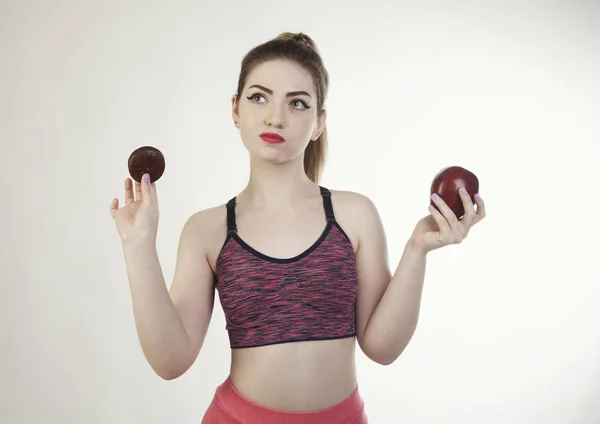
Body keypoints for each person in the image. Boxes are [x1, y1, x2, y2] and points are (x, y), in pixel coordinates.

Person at [109, 32, 486, 424]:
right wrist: (137, 246)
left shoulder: (353, 215)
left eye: (298, 103)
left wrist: (417, 248)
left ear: (319, 122)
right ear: (236, 110)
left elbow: (382, 348)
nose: (276, 116)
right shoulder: (207, 230)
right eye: (259, 97)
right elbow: (170, 361)